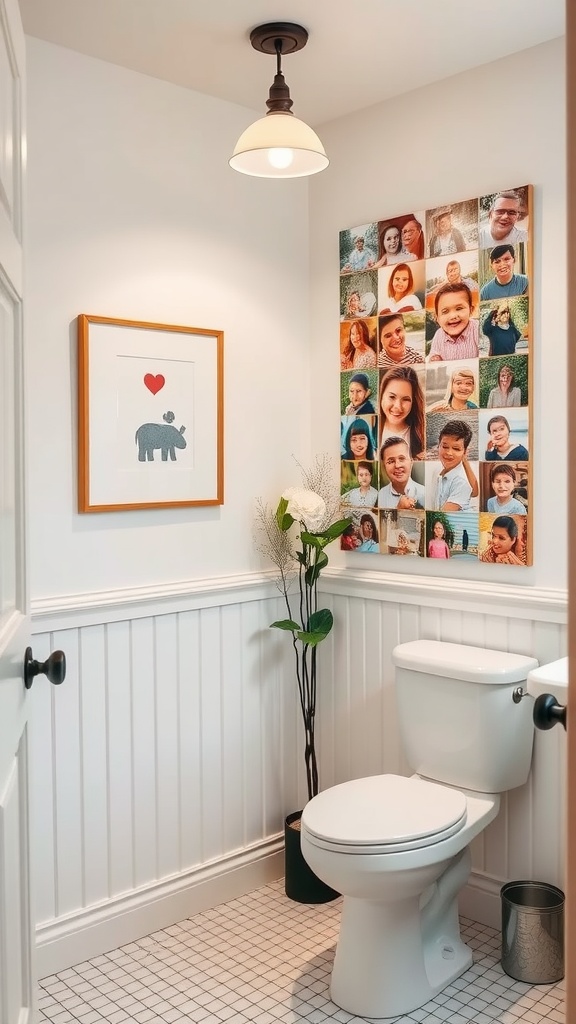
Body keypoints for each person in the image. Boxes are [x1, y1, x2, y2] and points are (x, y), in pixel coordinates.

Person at [430, 420, 478, 512]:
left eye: (456, 448)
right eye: (445, 447)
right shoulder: (438, 472)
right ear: (438, 445)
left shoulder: (461, 482)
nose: (449, 453)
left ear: (465, 452)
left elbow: (443, 516)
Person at [379, 366, 425, 460]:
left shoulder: (422, 436)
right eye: (392, 397)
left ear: (413, 402)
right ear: (381, 396)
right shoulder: (370, 432)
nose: (398, 407)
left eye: (406, 399)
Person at [428, 283, 479, 361]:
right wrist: (435, 358)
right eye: (445, 311)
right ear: (437, 318)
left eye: (459, 308)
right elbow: (434, 353)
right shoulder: (438, 335)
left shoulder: (477, 329)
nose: (453, 316)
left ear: (471, 310)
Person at [378, 437, 425, 509]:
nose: (397, 465)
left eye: (402, 459)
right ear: (384, 466)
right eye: (391, 461)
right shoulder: (381, 495)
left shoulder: (424, 493)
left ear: (411, 462)